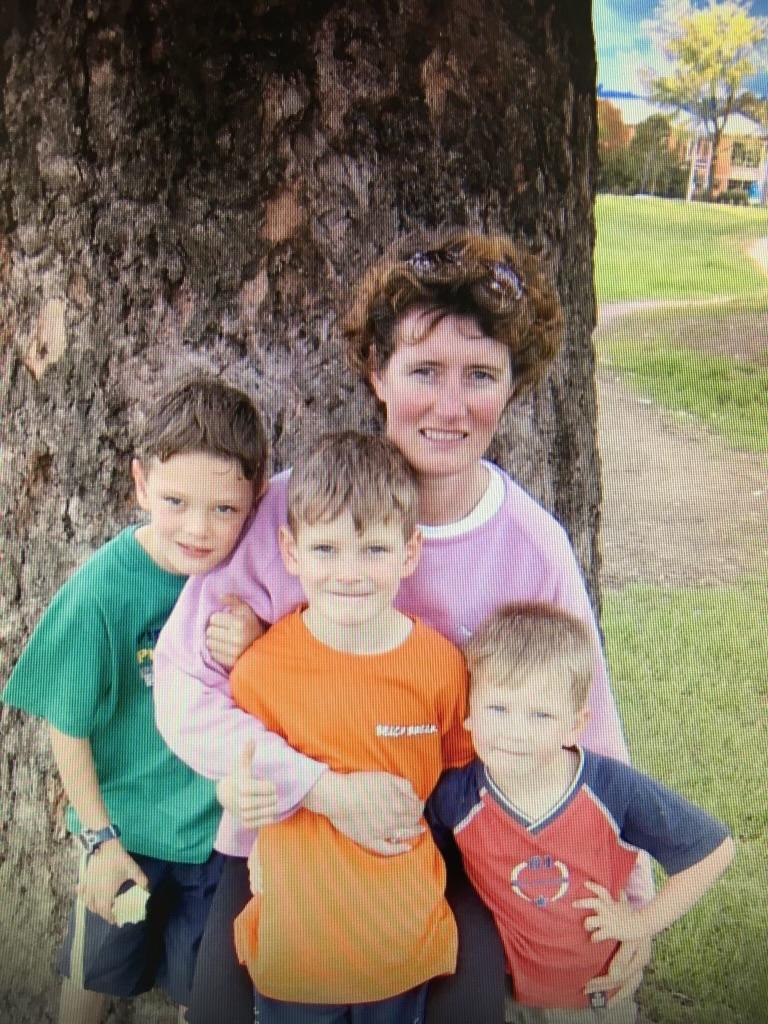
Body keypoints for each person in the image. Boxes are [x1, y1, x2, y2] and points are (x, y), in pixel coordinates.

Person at [153, 228, 654, 1024]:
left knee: (467, 1006)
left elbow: (585, 723)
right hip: (288, 846)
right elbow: (183, 684)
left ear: (513, 388)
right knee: (218, 1005)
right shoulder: (295, 512)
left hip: (450, 853)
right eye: (424, 371)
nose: (450, 407)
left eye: (481, 376)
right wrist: (305, 782)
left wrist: (629, 894)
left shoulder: (530, 546)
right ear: (378, 375)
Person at [2, 377, 269, 1024]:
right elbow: (67, 724)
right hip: (129, 837)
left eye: (224, 510)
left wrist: (259, 643)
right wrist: (99, 841)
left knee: (200, 995)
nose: (199, 530)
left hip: (216, 841)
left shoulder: (254, 576)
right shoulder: (102, 591)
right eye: (176, 500)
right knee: (92, 979)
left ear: (257, 499)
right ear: (141, 483)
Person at [230, 431, 473, 1022]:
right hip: (297, 951)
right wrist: (236, 795)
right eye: (326, 549)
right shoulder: (263, 669)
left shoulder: (439, 666)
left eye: (373, 550)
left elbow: (460, 779)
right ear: (290, 552)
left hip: (399, 946)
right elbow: (240, 780)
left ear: (410, 552)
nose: (350, 572)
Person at [426, 603, 735, 1024]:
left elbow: (713, 850)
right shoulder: (454, 798)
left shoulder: (612, 789)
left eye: (541, 714)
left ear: (575, 725)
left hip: (597, 996)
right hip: (510, 996)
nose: (516, 731)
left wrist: (642, 923)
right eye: (498, 708)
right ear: (469, 712)